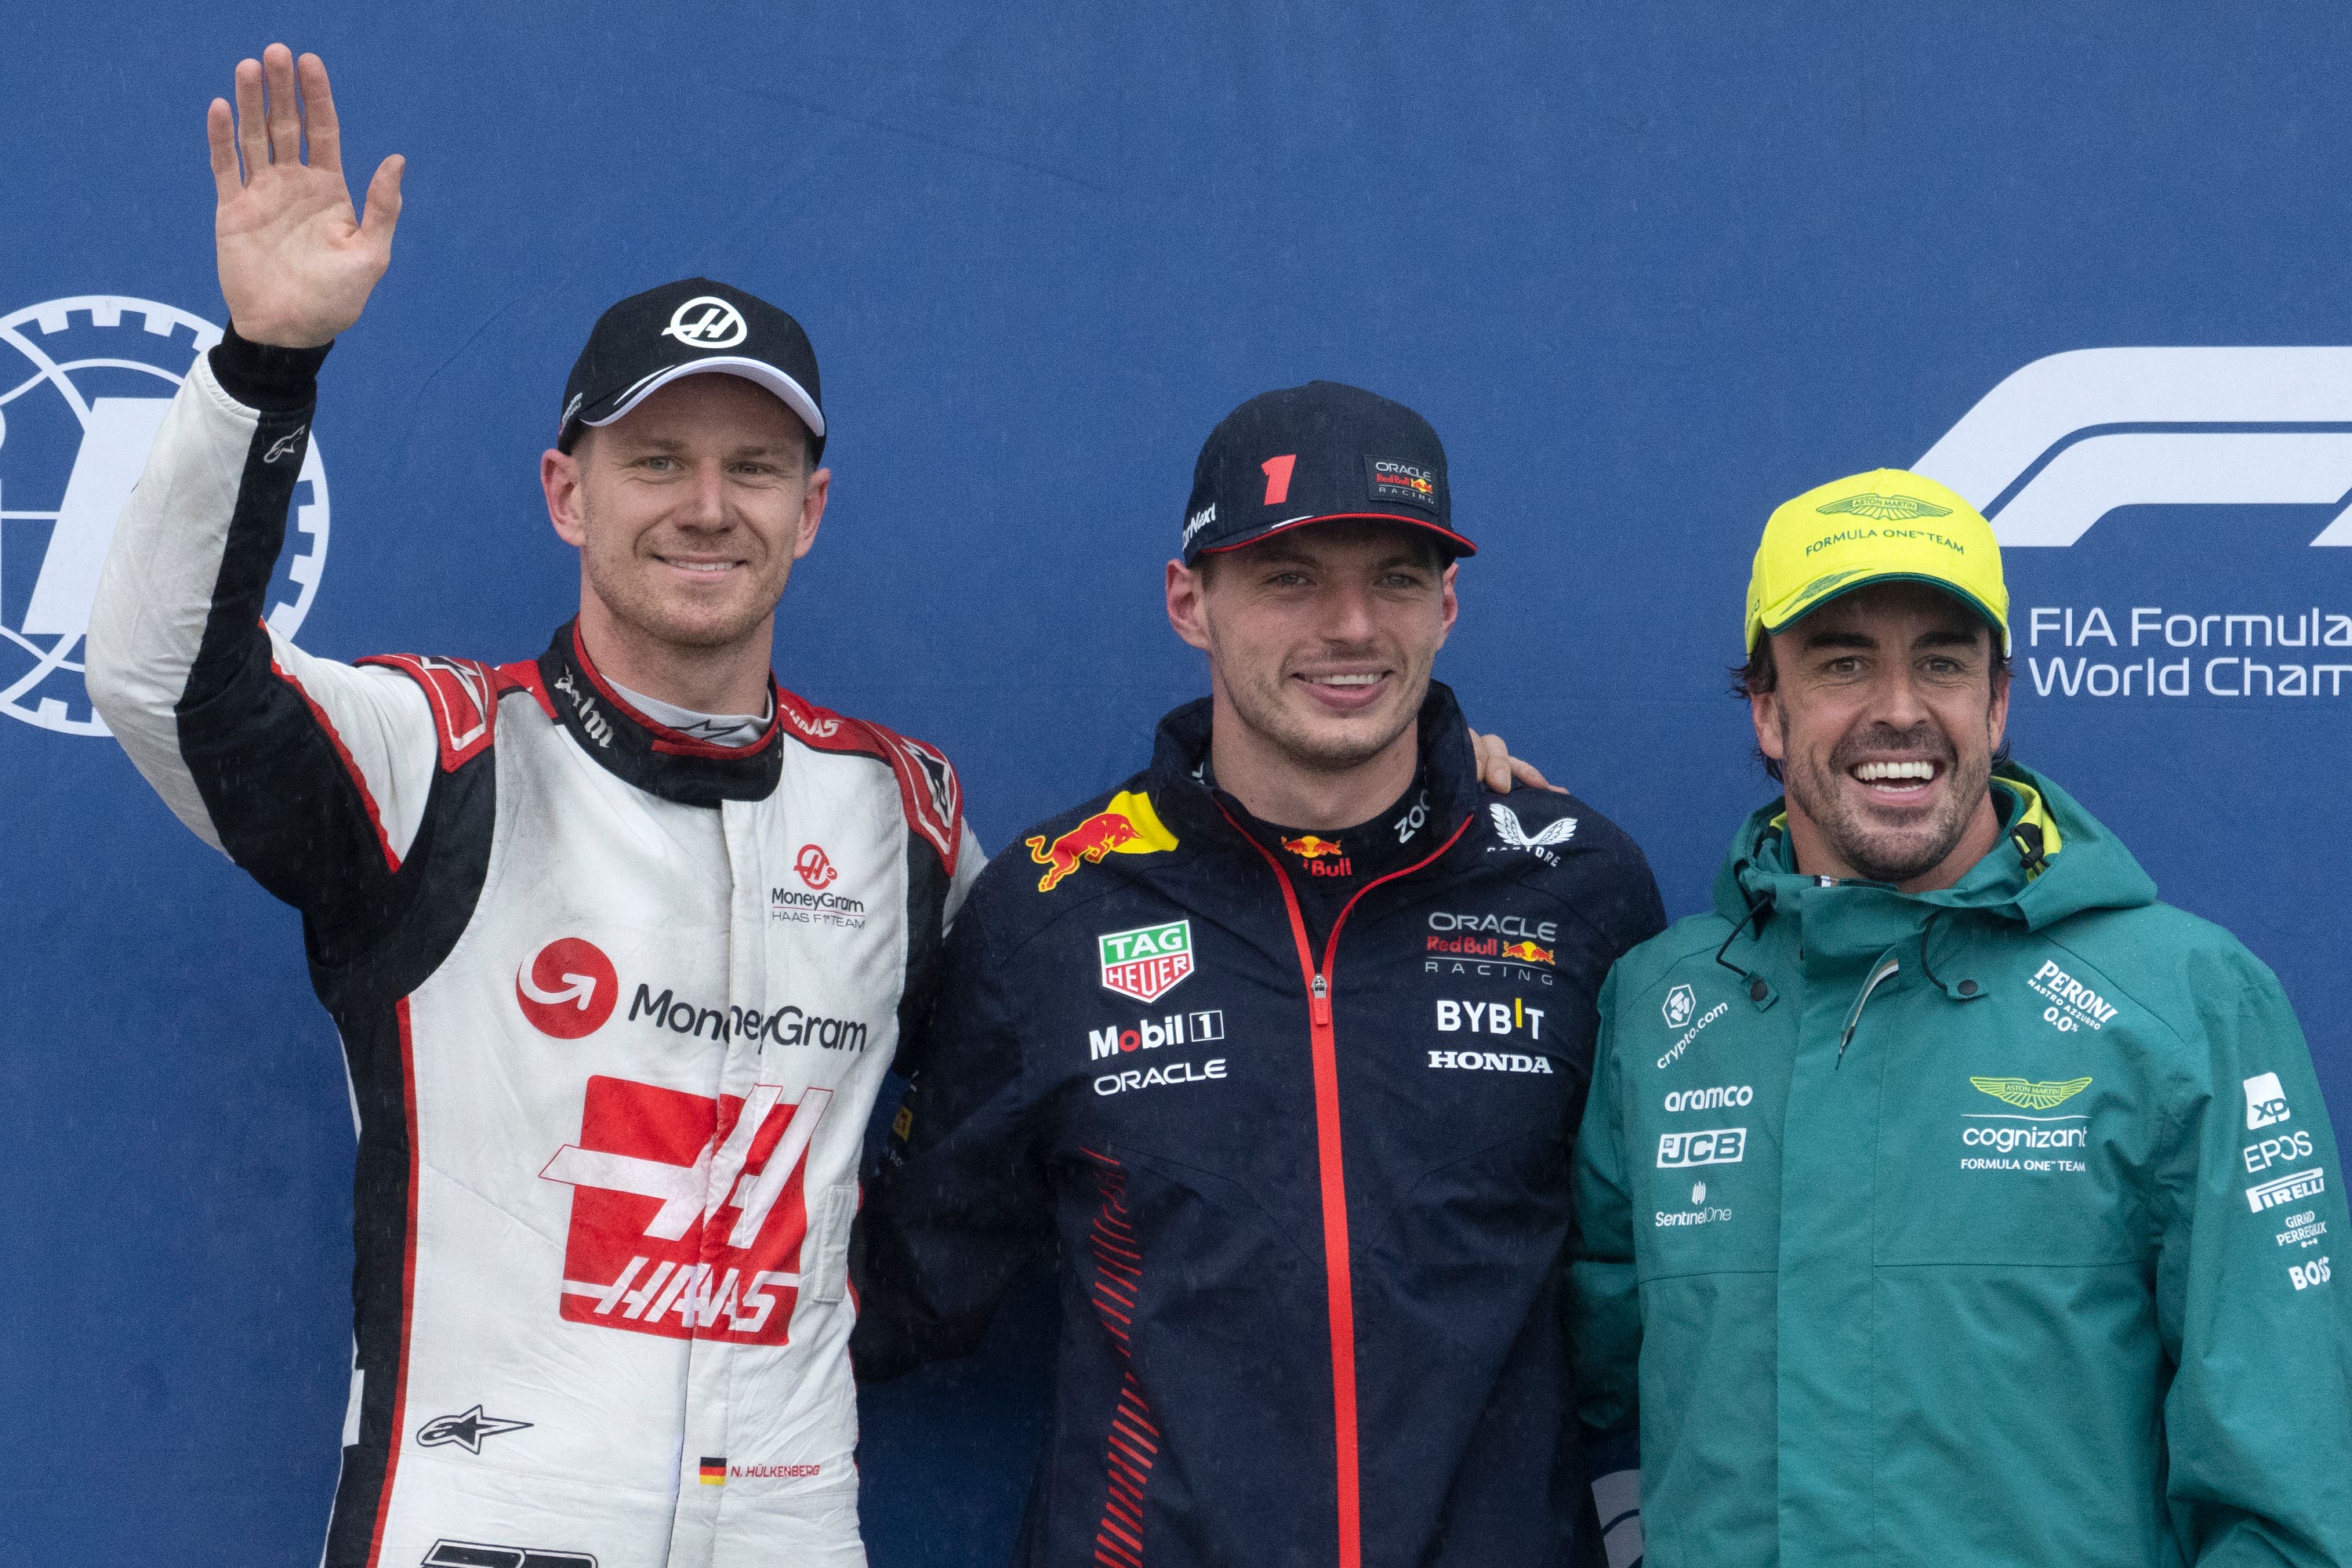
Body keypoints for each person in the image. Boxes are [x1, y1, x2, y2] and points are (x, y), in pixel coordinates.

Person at [87, 45, 985, 1568]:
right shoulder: (434, 752)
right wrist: (265, 365)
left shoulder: (905, 811)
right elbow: (162, 678)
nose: (707, 505)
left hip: (790, 1521)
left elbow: (1017, 1099)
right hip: (488, 1521)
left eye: (754, 465)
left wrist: (864, 1306)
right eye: (656, 461)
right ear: (569, 493)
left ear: (810, 511)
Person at [854, 380, 1667, 1568]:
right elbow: (909, 1286)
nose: (1350, 627)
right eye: (1291, 578)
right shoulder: (1049, 909)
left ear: (1448, 604)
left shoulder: (1576, 884)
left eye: (1394, 578)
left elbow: (1662, 1282)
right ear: (1192, 601)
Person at [1568, 468, 2352, 1566]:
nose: (1899, 706)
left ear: (1996, 701)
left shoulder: (2187, 1000)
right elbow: (1560, 1392)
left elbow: (2288, 1499)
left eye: (1942, 660)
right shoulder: (1662, 1005)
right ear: (1767, 710)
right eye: (1842, 662)